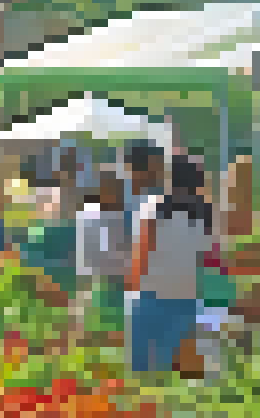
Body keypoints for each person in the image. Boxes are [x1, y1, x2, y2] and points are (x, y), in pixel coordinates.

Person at [128, 154, 217, 376]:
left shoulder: (154, 206)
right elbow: (206, 256)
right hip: (186, 296)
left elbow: (142, 251)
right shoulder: (206, 213)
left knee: (142, 367)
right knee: (172, 368)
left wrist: (133, 288)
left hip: (152, 293)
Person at [75, 173, 135, 339]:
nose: (116, 196)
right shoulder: (91, 215)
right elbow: (93, 257)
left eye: (118, 192)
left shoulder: (122, 216)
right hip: (97, 282)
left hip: (116, 284)